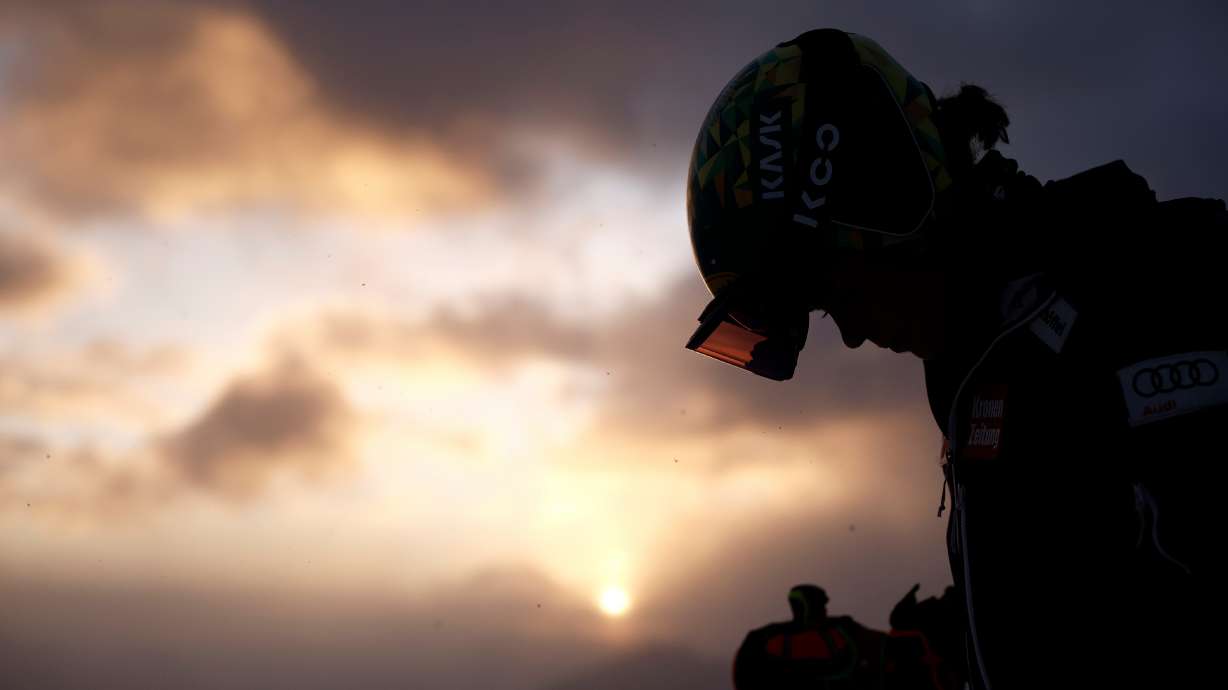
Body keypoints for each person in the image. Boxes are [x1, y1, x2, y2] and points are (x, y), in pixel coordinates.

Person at [684, 28, 1222, 689]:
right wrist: (907, 658)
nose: (850, 334)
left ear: (889, 207)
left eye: (837, 291)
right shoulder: (980, 364)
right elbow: (1075, 591)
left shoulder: (1156, 292)